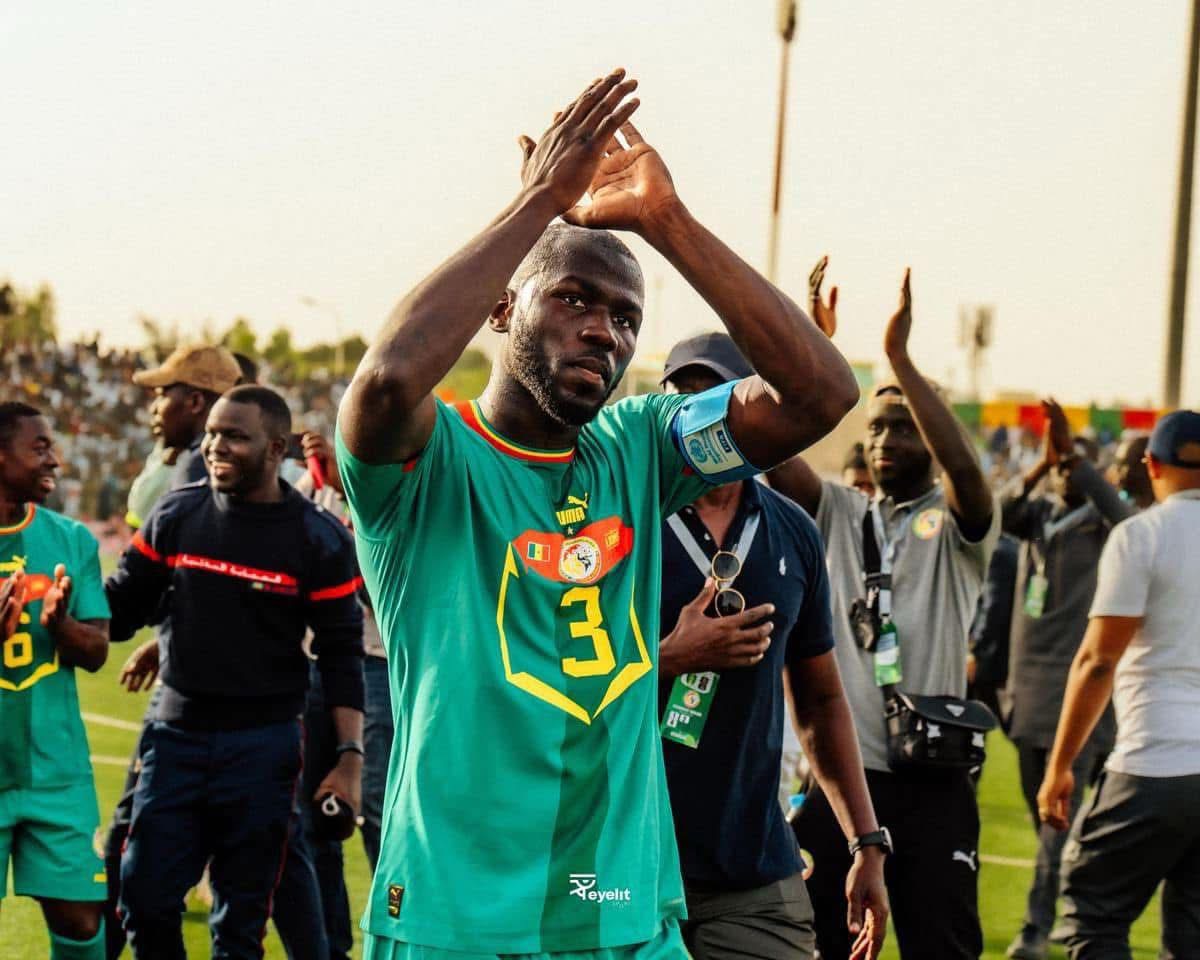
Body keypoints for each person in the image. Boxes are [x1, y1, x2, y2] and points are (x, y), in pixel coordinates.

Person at [336, 69, 860, 960]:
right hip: (457, 917)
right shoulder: (427, 462)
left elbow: (818, 395)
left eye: (624, 317)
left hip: (621, 911)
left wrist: (668, 223)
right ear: (504, 310)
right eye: (573, 298)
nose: (602, 332)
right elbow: (385, 380)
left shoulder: (641, 448)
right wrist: (540, 200)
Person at [772, 270, 999, 960]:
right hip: (843, 783)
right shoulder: (840, 512)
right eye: (875, 427)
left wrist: (899, 361)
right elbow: (773, 452)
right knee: (817, 946)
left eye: (902, 426)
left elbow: (967, 476)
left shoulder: (961, 528)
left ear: (930, 436)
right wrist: (811, 350)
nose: (884, 439)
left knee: (943, 944)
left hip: (932, 781)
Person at [104, 385, 365, 960]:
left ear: (276, 450)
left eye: (234, 436)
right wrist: (70, 605)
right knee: (144, 902)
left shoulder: (318, 540)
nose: (217, 446)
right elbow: (120, 609)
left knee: (240, 925)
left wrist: (348, 759)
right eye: (214, 434)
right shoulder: (176, 514)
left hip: (263, 748)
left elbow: (343, 653)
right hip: (174, 739)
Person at [655, 333, 886, 960]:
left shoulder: (793, 531)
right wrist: (669, 659)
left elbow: (820, 698)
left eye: (718, 400)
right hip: (625, 862)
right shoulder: (619, 518)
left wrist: (866, 842)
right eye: (685, 399)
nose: (702, 418)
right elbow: (554, 682)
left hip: (753, 867)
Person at [1038, 410, 1200, 960]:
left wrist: (1061, 765)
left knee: (1093, 915)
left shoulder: (1143, 534)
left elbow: (1097, 662)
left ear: (1152, 464)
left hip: (1156, 760)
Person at [999, 400, 1132, 960]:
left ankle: (1036, 929)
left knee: (1057, 830)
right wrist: (1040, 462)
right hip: (1026, 696)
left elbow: (1123, 512)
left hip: (1079, 701)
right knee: (1054, 826)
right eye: (1058, 465)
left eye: (1070, 465)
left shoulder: (1110, 530)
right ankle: (1082, 902)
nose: (1062, 472)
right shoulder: (1038, 520)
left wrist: (1077, 458)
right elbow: (998, 511)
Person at [0, 402, 111, 960]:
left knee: (82, 919)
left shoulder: (71, 540)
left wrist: (61, 624)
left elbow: (96, 651)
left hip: (55, 771)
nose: (56, 461)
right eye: (39, 448)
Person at [136, 343, 242, 487]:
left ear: (195, 402)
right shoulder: (242, 460)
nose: (153, 408)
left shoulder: (197, 468)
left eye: (162, 396)